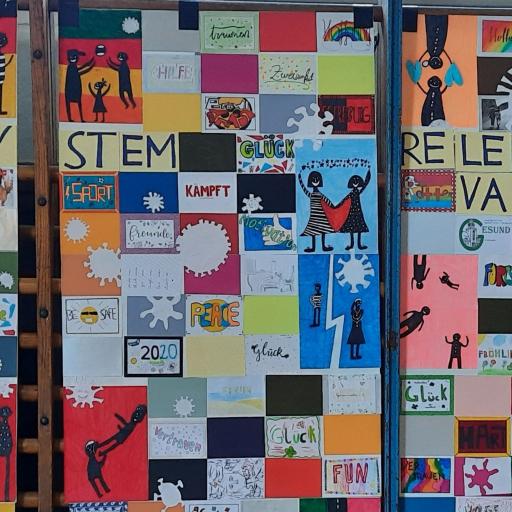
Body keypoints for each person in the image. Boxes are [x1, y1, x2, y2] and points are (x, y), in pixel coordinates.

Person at [64, 49, 95, 122]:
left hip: (76, 87)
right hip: (71, 88)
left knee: (78, 103)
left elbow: (78, 71)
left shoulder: (73, 66)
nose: (74, 59)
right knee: (71, 104)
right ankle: (70, 119)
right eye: (72, 57)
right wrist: (88, 66)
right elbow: (77, 73)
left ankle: (81, 119)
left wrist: (88, 65)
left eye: (75, 57)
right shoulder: (70, 67)